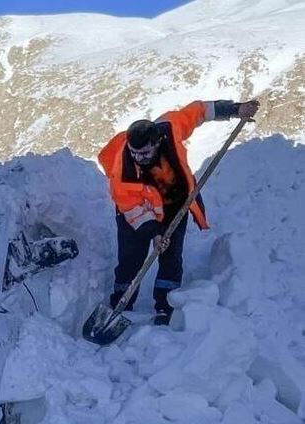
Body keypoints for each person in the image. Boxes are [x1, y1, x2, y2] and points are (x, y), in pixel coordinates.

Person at [97, 99, 259, 325]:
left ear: (157, 142)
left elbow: (198, 111)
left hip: (175, 204)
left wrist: (234, 109)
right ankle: (121, 301)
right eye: (135, 153)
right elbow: (131, 207)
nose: (139, 159)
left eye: (144, 153)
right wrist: (153, 231)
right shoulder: (122, 171)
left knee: (171, 256)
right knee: (131, 257)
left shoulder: (170, 128)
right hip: (136, 213)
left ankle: (166, 305)